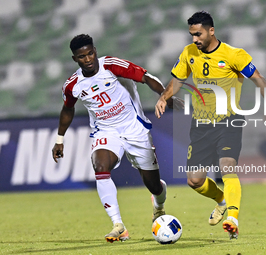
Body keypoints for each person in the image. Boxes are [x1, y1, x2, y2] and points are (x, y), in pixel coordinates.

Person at [155, 11, 266, 239]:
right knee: (194, 180)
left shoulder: (234, 55)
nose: (194, 40)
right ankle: (222, 200)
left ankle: (233, 219)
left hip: (229, 120)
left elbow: (259, 79)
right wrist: (163, 97)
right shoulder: (189, 53)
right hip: (200, 124)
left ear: (211, 31)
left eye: (198, 34)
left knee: (227, 166)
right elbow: (177, 80)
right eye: (191, 35)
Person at [52, 34, 178, 243]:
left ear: (95, 50)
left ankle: (158, 204)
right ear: (75, 59)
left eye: (91, 53)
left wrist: (165, 97)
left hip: (135, 129)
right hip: (105, 131)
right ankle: (118, 225)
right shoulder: (72, 85)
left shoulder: (111, 65)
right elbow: (67, 109)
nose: (89, 59)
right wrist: (59, 139)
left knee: (155, 186)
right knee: (100, 166)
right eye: (82, 56)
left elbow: (146, 77)